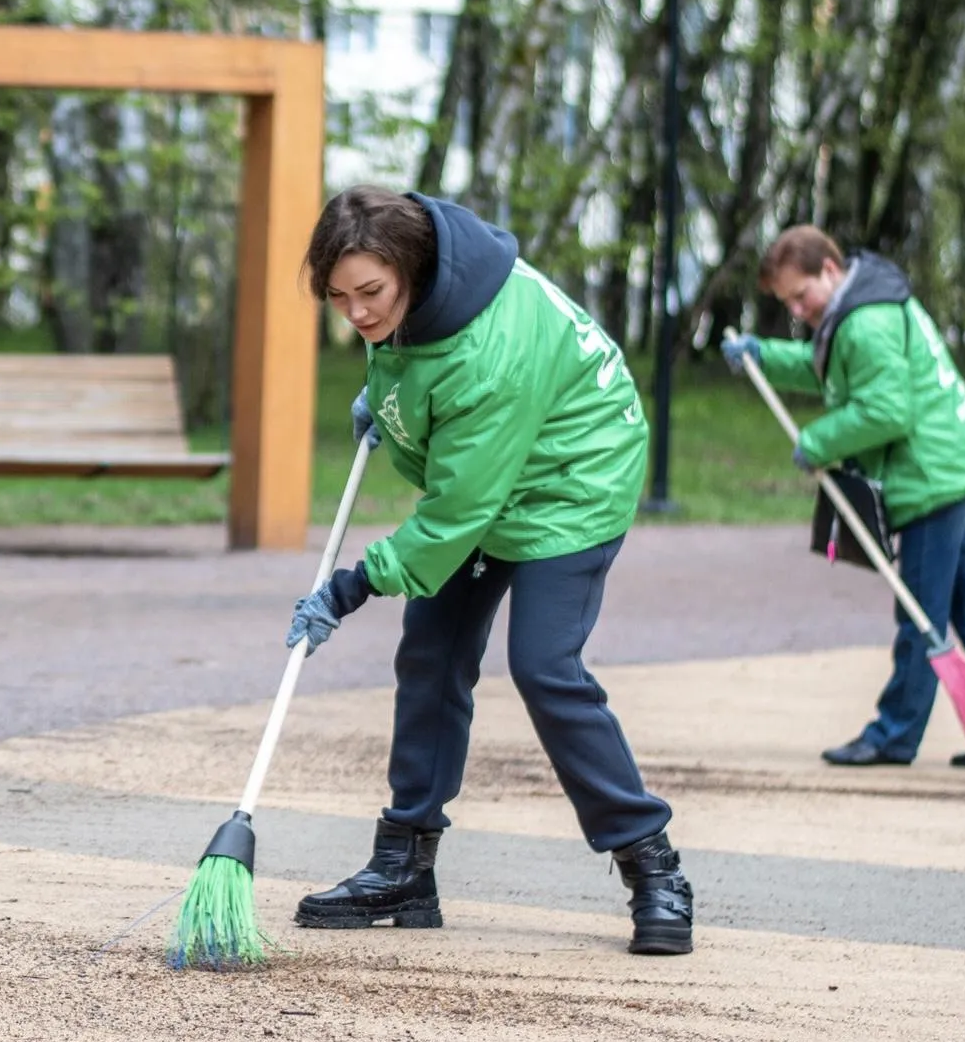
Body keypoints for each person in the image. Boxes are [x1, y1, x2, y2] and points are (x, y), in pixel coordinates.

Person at [286, 185, 692, 956]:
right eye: (338, 299)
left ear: (411, 268)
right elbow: (422, 383)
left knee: (543, 665)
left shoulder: (490, 348)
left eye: (370, 293)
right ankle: (404, 863)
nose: (358, 314)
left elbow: (454, 509)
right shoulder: (414, 297)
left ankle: (652, 865)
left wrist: (350, 584)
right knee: (432, 650)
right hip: (493, 471)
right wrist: (387, 399)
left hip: (573, 475)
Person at [722, 225, 965, 767]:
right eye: (787, 302)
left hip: (932, 479)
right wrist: (762, 355)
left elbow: (887, 412)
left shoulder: (864, 324)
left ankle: (895, 733)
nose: (797, 310)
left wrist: (818, 440)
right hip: (962, 461)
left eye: (801, 295)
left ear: (828, 268)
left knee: (921, 612)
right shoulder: (867, 303)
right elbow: (832, 373)